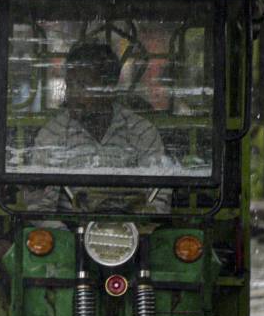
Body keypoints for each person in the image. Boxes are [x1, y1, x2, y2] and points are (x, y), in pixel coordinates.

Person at [24, 41, 170, 211]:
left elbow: (159, 199)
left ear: (108, 88)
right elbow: (40, 207)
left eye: (83, 86)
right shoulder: (52, 135)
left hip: (132, 231)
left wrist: (134, 228)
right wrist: (63, 232)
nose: (72, 95)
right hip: (70, 229)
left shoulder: (141, 132)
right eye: (70, 85)